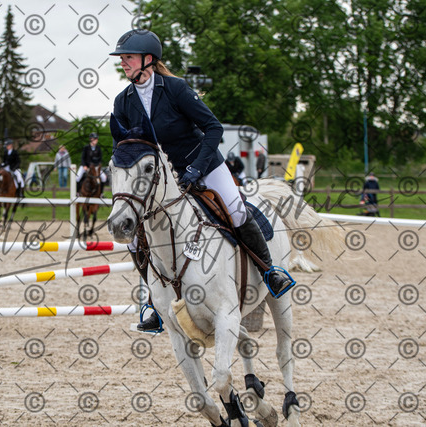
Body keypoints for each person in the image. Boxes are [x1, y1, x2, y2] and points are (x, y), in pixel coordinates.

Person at [110, 29, 295, 332]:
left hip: (204, 164)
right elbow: (128, 147)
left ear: (148, 59)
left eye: (128, 57)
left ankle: (269, 272)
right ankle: (155, 305)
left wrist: (197, 168)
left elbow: (214, 128)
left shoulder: (176, 89)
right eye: (122, 58)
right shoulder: (123, 101)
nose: (123, 62)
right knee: (133, 236)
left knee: (236, 210)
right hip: (162, 179)